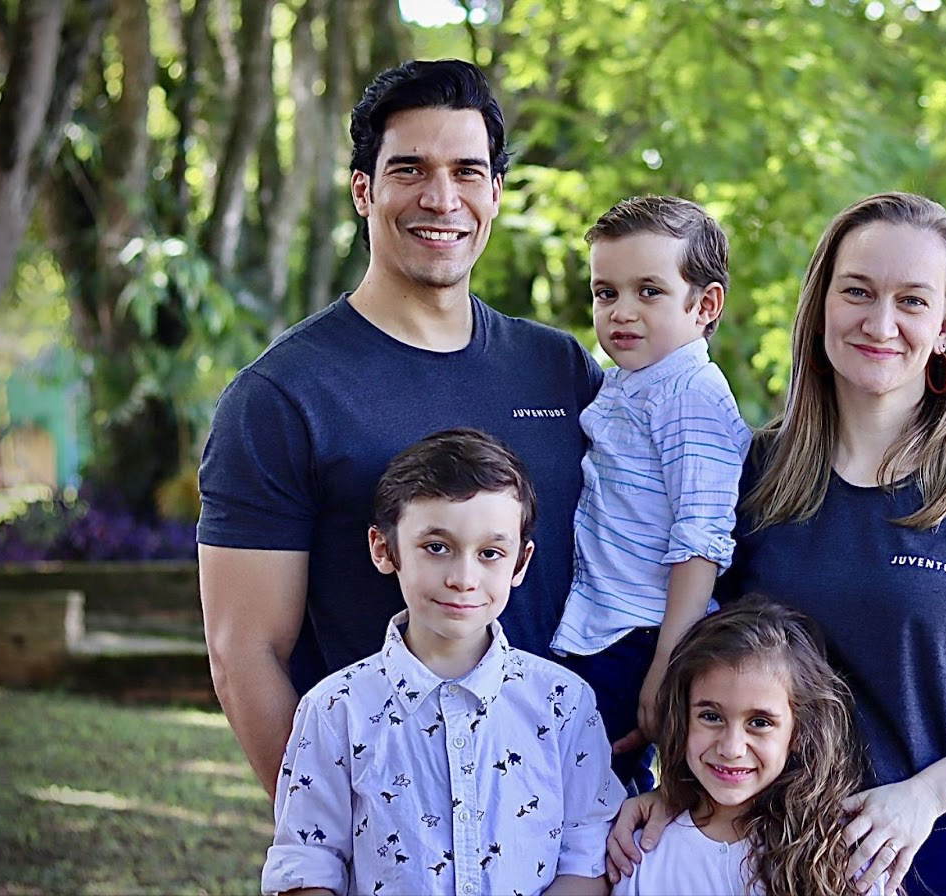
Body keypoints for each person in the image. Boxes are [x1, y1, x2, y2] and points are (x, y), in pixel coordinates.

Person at [608, 192, 946, 896]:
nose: (880, 322)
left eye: (912, 301)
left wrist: (925, 798)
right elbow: (704, 667)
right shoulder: (747, 475)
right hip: (767, 850)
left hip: (944, 847)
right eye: (858, 292)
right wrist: (677, 792)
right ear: (820, 308)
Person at [197, 59, 601, 799]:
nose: (441, 198)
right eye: (410, 169)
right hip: (390, 825)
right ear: (364, 190)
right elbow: (244, 653)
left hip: (566, 814)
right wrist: (337, 835)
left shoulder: (561, 370)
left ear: (496, 194)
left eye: (468, 172)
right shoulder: (282, 396)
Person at [260, 428, 621, 896]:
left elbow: (587, 855)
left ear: (520, 562)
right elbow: (307, 864)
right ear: (383, 549)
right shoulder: (335, 710)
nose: (463, 578)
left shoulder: (563, 704)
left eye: (490, 553)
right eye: (437, 547)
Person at [548, 196, 752, 793]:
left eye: (649, 292)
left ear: (705, 304)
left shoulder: (691, 395)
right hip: (598, 627)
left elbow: (702, 538)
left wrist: (667, 663)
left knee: (592, 798)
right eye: (605, 293)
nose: (621, 313)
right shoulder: (629, 384)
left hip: (640, 636)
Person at [611, 597, 875, 896]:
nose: (731, 748)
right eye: (711, 717)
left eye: (760, 722)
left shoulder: (846, 853)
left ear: (799, 730)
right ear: (682, 719)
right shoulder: (641, 850)